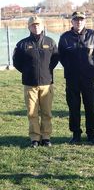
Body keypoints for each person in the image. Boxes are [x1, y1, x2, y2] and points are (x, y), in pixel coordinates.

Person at [13, 15, 59, 148]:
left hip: (46, 83)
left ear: (42, 25)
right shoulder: (22, 44)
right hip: (30, 83)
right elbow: (17, 62)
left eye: (38, 24)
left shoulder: (50, 42)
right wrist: (28, 72)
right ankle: (35, 138)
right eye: (33, 25)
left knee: (46, 112)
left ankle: (46, 137)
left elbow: (55, 59)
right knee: (32, 112)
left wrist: (46, 71)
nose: (36, 26)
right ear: (29, 27)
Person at [58, 11, 94, 144]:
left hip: (88, 78)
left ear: (85, 21)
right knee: (73, 107)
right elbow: (61, 56)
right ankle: (76, 134)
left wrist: (90, 66)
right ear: (72, 22)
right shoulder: (65, 37)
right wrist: (71, 68)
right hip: (72, 78)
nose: (78, 22)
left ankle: (91, 134)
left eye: (81, 20)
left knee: (90, 106)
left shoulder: (92, 35)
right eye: (76, 20)